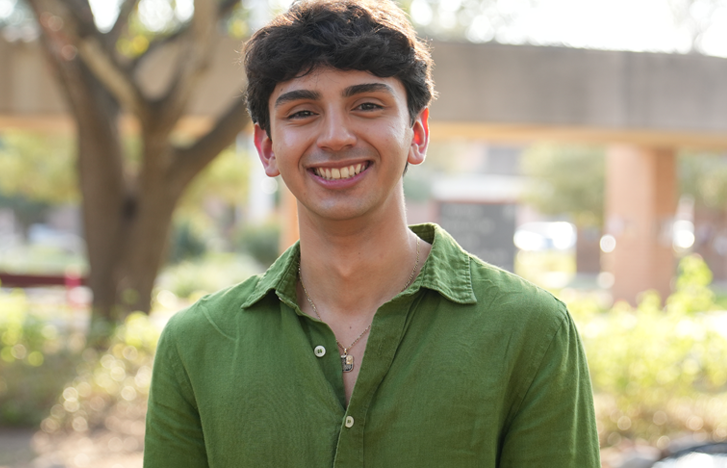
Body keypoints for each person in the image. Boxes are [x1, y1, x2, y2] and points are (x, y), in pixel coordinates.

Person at [143, 0, 601, 466]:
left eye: (366, 105)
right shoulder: (196, 345)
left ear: (417, 134)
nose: (336, 137)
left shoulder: (532, 332)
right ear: (267, 149)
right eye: (302, 112)